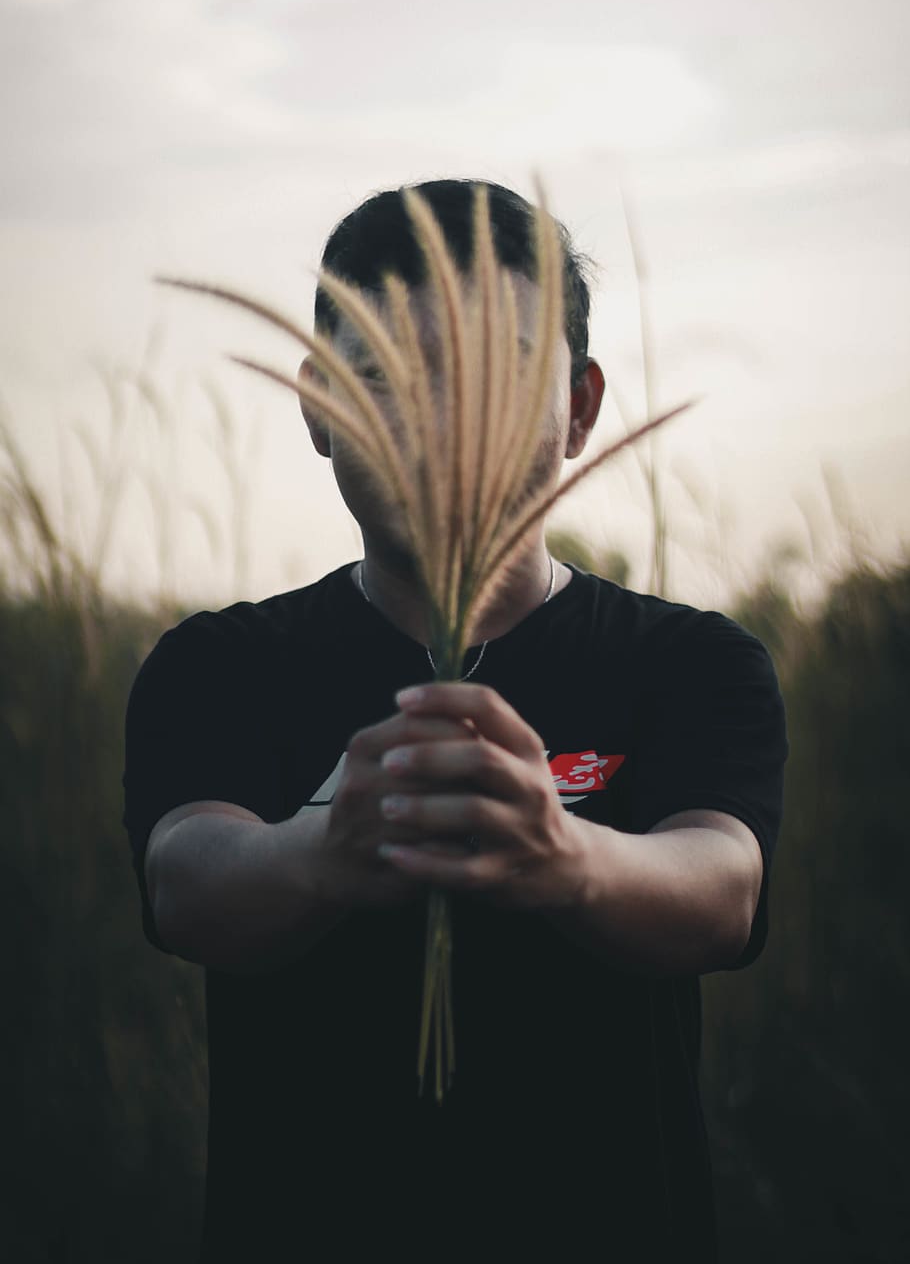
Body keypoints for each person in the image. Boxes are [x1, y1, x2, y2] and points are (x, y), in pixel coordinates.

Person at [123, 180, 787, 1262]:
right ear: (317, 404)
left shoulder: (689, 661)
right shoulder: (220, 664)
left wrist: (566, 855)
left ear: (577, 408)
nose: (440, 418)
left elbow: (722, 889)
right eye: (383, 373)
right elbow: (185, 882)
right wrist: (324, 848)